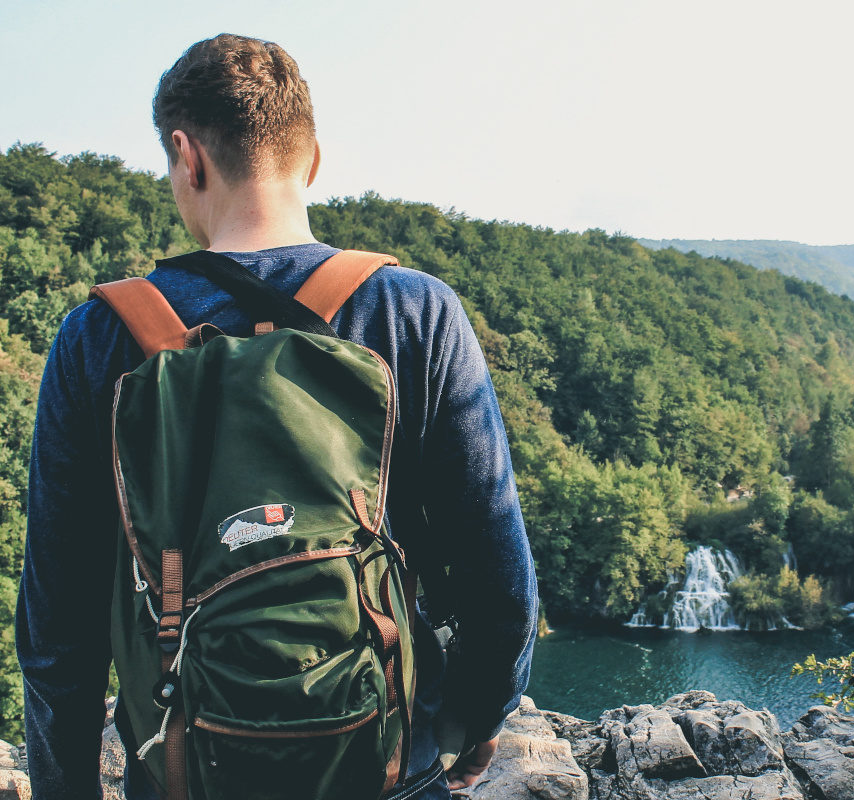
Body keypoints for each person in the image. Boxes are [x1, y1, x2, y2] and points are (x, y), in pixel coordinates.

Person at [16, 33, 538, 800]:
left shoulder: (98, 337)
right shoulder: (415, 311)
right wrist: (467, 724)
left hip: (187, 775)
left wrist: (68, 787)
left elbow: (56, 627)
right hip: (388, 770)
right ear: (313, 160)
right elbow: (502, 584)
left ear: (188, 158)